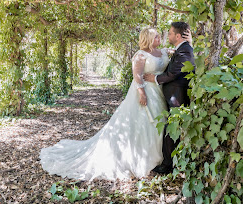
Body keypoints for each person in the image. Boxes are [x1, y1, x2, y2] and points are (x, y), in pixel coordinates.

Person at [39, 26, 191, 181]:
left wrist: (188, 42)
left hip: (159, 92)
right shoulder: (140, 54)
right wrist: (142, 93)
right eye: (157, 37)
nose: (160, 39)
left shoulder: (164, 52)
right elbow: (137, 75)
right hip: (146, 91)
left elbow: (181, 54)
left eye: (160, 36)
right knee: (144, 123)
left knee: (160, 122)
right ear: (149, 39)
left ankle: (161, 156)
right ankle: (144, 157)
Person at [144, 22, 195, 174]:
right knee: (170, 128)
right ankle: (169, 162)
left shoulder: (185, 50)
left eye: (171, 33)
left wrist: (156, 79)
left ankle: (167, 165)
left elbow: (174, 73)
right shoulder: (183, 49)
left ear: (178, 36)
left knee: (171, 130)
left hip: (177, 97)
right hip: (172, 95)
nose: (169, 35)